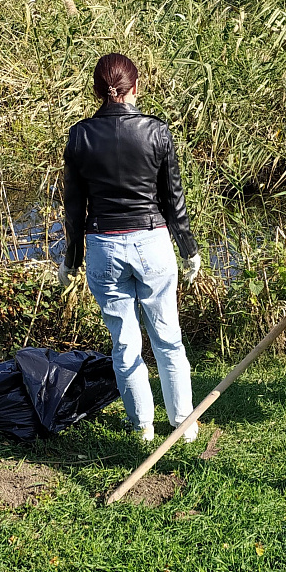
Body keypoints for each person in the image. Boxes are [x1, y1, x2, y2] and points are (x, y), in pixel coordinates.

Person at [59, 53, 203, 442]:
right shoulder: (157, 131)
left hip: (103, 244)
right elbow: (174, 199)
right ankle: (183, 424)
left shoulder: (80, 135)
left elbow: (74, 207)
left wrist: (71, 259)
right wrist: (188, 248)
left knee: (124, 343)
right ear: (135, 87)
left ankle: (142, 427)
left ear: (96, 91)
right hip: (152, 241)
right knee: (168, 338)